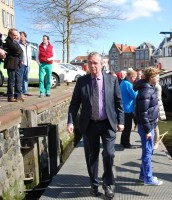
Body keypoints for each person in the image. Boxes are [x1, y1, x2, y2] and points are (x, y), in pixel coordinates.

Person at [67, 52, 124, 198]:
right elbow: (74, 104)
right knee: (92, 156)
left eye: (95, 63)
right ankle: (94, 184)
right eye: (90, 63)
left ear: (101, 64)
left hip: (107, 124)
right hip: (89, 125)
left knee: (109, 154)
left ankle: (108, 184)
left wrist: (121, 121)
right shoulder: (82, 81)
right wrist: (70, 121)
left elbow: (119, 102)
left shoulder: (112, 80)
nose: (92, 66)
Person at [133, 66, 163, 186]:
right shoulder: (147, 91)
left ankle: (143, 175)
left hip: (150, 124)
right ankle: (148, 179)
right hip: (147, 126)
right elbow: (142, 113)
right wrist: (147, 130)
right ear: (151, 78)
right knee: (147, 152)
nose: (159, 78)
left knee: (148, 152)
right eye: (157, 76)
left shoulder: (149, 88)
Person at [3, 28, 24, 102]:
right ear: (10, 34)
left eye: (16, 35)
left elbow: (20, 51)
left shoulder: (14, 41)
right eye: (14, 35)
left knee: (18, 79)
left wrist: (17, 52)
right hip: (11, 63)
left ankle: (18, 95)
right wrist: (17, 52)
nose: (16, 36)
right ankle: (10, 96)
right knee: (11, 80)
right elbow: (17, 50)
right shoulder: (8, 41)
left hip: (16, 63)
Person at [119, 69, 137, 148]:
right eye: (135, 77)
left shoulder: (122, 82)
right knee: (128, 127)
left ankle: (122, 141)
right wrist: (138, 91)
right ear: (131, 77)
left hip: (123, 108)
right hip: (128, 109)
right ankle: (126, 143)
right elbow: (134, 96)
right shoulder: (128, 84)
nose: (135, 79)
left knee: (125, 127)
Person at [153, 82, 166, 150]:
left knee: (155, 125)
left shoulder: (157, 87)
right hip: (152, 108)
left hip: (155, 108)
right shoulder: (151, 85)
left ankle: (156, 142)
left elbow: (157, 98)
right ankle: (152, 141)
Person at [19, 31, 32, 96]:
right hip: (22, 63)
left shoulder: (29, 44)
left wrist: (30, 61)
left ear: (25, 37)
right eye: (20, 36)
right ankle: (20, 91)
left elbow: (30, 53)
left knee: (26, 77)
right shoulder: (18, 44)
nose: (21, 37)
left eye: (23, 36)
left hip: (28, 63)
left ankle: (25, 91)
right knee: (20, 77)